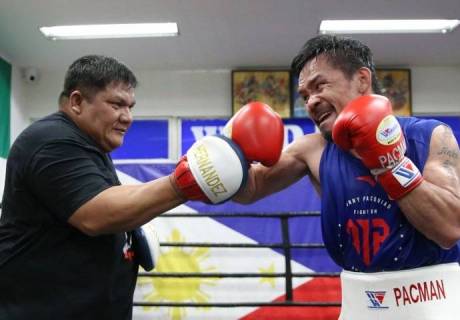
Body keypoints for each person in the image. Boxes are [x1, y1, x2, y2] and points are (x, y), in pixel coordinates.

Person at [0, 54, 284, 319]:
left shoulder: (88, 148)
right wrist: (184, 183)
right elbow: (95, 214)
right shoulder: (52, 141)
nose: (127, 117)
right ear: (77, 102)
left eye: (130, 107)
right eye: (116, 105)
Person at [234, 35, 460, 319]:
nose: (311, 102)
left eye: (319, 86)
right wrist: (227, 154)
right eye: (305, 95)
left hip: (435, 305)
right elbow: (249, 188)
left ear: (362, 79)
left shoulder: (431, 135)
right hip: (360, 306)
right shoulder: (312, 149)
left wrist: (390, 164)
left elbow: (450, 229)